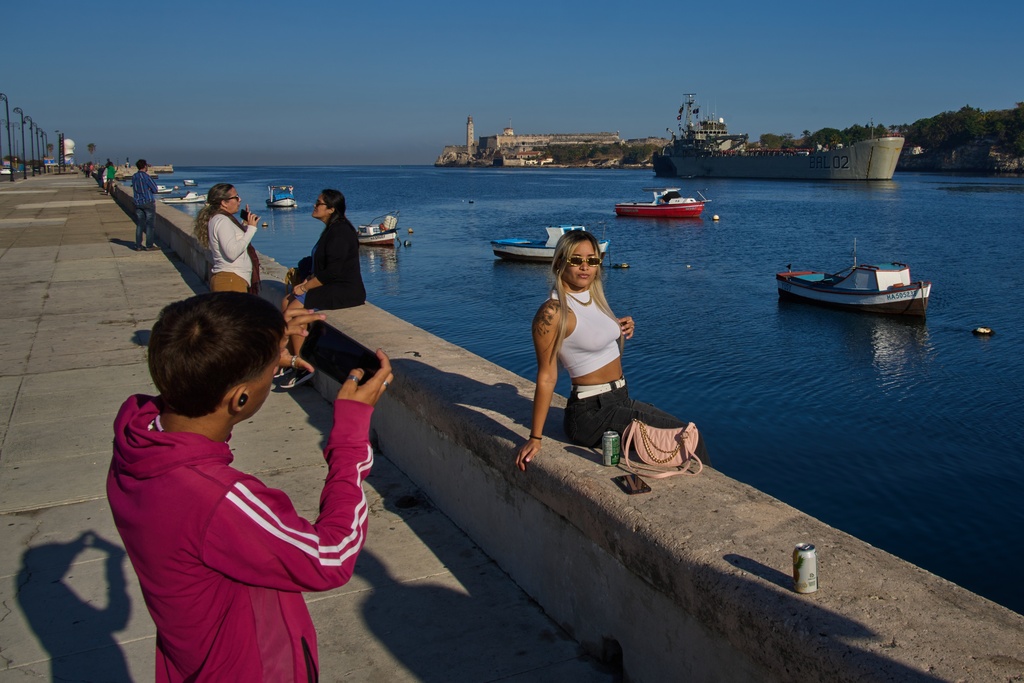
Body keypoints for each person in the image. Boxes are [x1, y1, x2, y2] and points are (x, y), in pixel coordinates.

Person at [107, 292, 393, 682]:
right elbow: (331, 557)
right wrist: (349, 438)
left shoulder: (137, 441)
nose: (278, 363)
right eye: (270, 367)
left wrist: (257, 337)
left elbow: (204, 392)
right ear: (239, 398)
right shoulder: (215, 498)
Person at [515, 230, 709, 471]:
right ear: (560, 262)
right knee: (689, 440)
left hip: (620, 399)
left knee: (689, 433)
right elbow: (546, 375)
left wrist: (617, 326)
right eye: (576, 260)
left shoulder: (591, 297)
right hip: (591, 414)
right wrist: (536, 437)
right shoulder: (552, 313)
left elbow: (587, 333)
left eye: (592, 260)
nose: (585, 267)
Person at [280, 188, 366, 389]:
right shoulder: (332, 228)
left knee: (291, 314)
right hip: (330, 285)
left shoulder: (340, 232)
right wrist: (306, 281)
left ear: (330, 209)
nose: (314, 206)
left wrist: (305, 287)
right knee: (286, 302)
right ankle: (293, 358)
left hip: (344, 291)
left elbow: (332, 272)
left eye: (318, 203)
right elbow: (324, 267)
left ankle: (304, 366)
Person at [192, 183, 261, 294]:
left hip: (232, 279)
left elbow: (233, 239)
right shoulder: (222, 220)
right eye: (236, 197)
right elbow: (232, 252)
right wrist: (251, 229)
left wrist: (245, 225)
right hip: (231, 280)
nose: (240, 200)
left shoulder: (220, 219)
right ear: (224, 203)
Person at [130, 159, 160, 251]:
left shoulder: (134, 177)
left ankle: (138, 245)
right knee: (150, 225)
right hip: (148, 202)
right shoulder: (146, 177)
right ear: (144, 166)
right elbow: (155, 189)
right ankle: (149, 245)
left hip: (138, 202)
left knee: (140, 224)